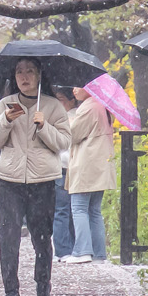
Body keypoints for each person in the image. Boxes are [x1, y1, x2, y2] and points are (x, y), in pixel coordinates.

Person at [0, 59, 71, 296]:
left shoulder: (53, 106)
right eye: (19, 71)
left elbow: (64, 142)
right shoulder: (4, 104)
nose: (24, 76)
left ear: (39, 74)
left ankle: (43, 289)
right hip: (10, 180)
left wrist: (44, 127)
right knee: (8, 237)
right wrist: (6, 120)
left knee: (42, 237)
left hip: (42, 180)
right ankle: (11, 291)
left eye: (30, 71)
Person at [61, 84, 116, 263]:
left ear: (91, 88)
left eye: (79, 86)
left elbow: (72, 134)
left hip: (87, 163)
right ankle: (99, 253)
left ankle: (82, 250)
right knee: (94, 210)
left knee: (78, 207)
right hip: (99, 164)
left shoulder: (89, 107)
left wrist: (68, 121)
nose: (74, 89)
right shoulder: (101, 106)